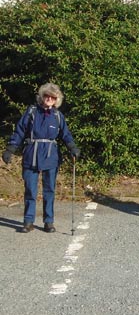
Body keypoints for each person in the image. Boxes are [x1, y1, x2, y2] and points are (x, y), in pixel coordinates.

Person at [2, 83, 80, 233]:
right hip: (31, 154)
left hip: (51, 156)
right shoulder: (31, 112)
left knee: (49, 190)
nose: (49, 99)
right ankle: (28, 221)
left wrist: (72, 147)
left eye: (53, 97)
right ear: (42, 96)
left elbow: (65, 134)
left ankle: (48, 222)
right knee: (30, 189)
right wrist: (10, 149)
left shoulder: (58, 116)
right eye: (46, 96)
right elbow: (19, 131)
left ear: (56, 100)